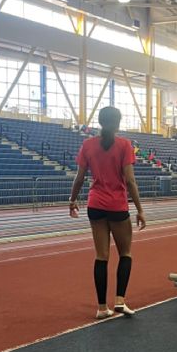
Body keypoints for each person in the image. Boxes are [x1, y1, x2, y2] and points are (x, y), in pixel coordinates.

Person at [69, 106, 146, 319]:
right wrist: (140, 209)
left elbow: (80, 177)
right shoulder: (124, 145)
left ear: (100, 122)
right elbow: (130, 180)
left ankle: (102, 307)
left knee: (101, 256)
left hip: (95, 205)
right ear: (118, 122)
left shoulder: (87, 145)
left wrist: (72, 199)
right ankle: (120, 300)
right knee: (125, 253)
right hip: (117, 206)